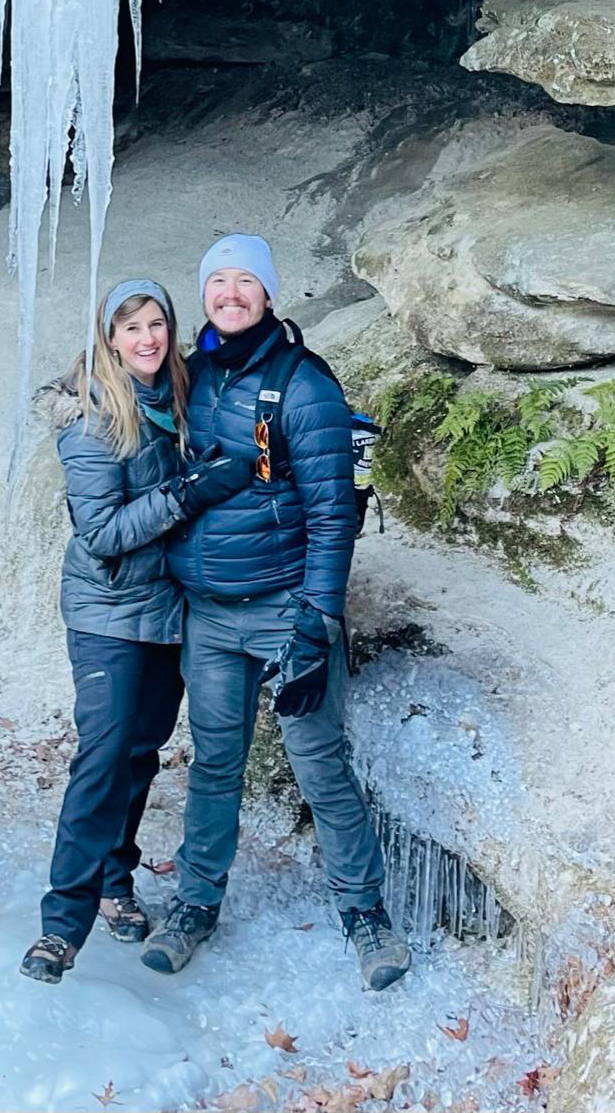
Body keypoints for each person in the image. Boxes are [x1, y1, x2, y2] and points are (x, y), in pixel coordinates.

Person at [141, 234, 412, 992]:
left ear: (267, 293)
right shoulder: (188, 377)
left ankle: (365, 915)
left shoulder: (304, 385)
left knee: (319, 764)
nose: (229, 293)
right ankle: (195, 903)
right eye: (216, 280)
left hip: (282, 607)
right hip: (208, 614)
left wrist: (314, 619)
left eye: (244, 281)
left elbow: (332, 514)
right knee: (214, 765)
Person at [20, 279, 257, 983]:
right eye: (131, 329)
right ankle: (63, 922)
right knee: (101, 752)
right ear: (108, 339)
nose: (146, 339)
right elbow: (102, 532)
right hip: (109, 609)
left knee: (141, 751)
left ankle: (115, 879)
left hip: (170, 607)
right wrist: (184, 492)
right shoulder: (92, 419)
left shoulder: (181, 395)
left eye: (156, 324)